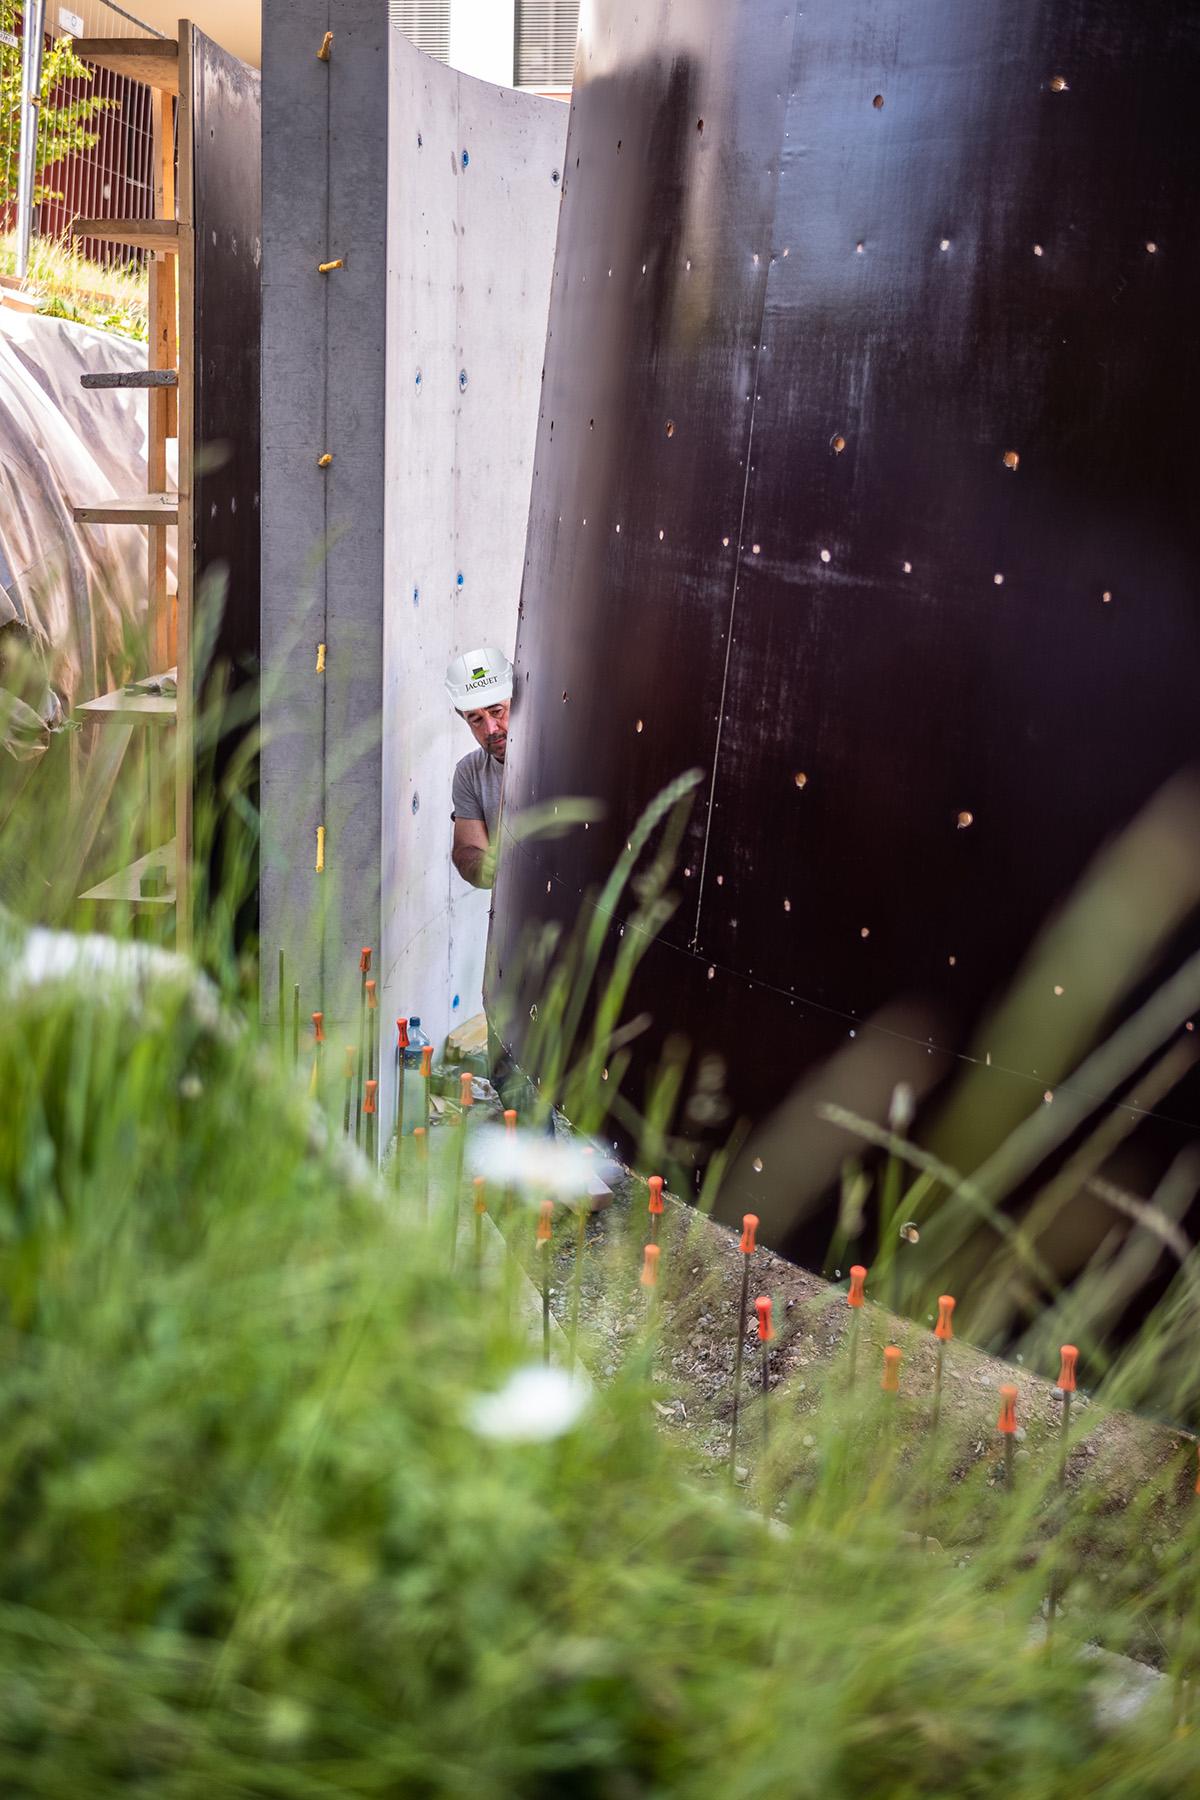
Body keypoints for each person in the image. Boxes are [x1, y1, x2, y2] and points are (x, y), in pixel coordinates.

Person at [446, 645, 513, 889]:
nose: (491, 728)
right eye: (475, 719)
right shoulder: (469, 772)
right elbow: (466, 849)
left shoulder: (562, 749)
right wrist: (482, 865)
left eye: (497, 711)